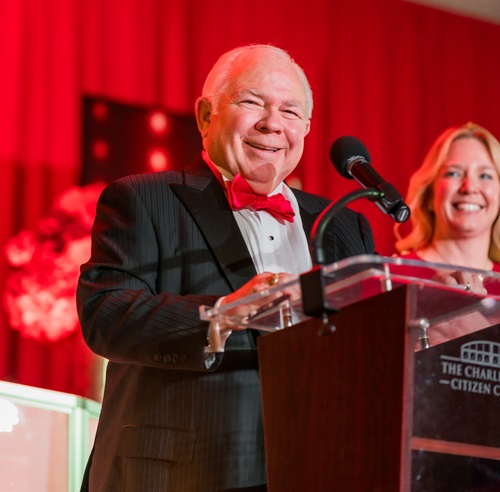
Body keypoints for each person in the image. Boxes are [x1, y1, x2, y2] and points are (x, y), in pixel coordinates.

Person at [77, 44, 375, 492]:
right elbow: (107, 316)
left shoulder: (344, 224)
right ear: (204, 116)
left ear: (307, 128)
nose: (272, 123)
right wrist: (223, 315)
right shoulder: (143, 199)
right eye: (251, 102)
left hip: (315, 468)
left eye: (290, 111)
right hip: (178, 474)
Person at [394, 121, 500, 295]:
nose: (469, 187)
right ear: (429, 194)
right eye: (454, 173)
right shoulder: (391, 276)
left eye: (485, 175)